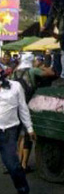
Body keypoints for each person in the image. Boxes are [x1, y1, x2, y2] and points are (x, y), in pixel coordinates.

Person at [11, 53, 55, 172]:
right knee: (27, 135)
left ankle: (18, 162)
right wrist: (42, 67)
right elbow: (51, 73)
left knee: (19, 135)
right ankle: (24, 164)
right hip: (29, 104)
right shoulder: (32, 71)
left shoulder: (14, 72)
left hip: (15, 105)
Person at [0, 66, 34, 194]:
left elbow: (23, 108)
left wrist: (29, 128)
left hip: (8, 131)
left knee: (13, 166)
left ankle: (23, 189)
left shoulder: (15, 87)